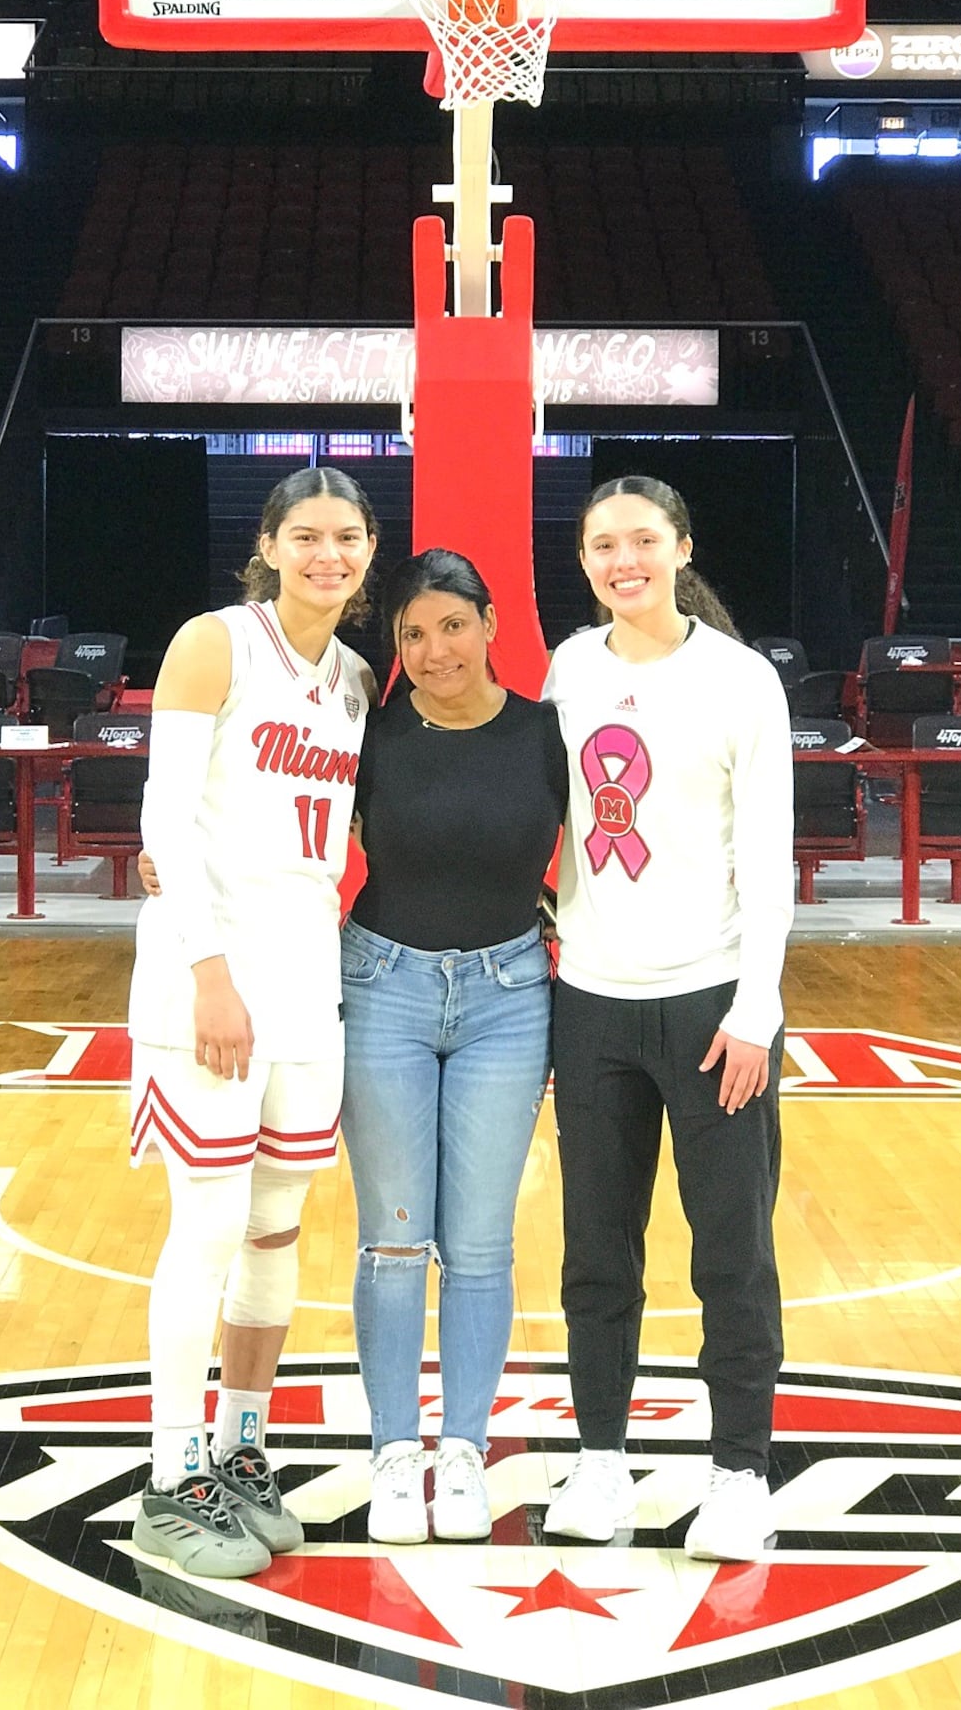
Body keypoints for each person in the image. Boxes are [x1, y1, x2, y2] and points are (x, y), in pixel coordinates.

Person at [128, 466, 378, 1579]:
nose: (329, 554)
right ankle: (170, 1475)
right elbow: (163, 822)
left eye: (349, 537)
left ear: (370, 552)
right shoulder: (214, 641)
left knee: (276, 1228)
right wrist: (209, 971)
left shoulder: (361, 679)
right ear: (270, 544)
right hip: (211, 973)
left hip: (308, 973)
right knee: (207, 1226)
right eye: (308, 535)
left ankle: (241, 1450)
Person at [540, 474, 793, 1563]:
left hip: (709, 1005)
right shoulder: (568, 665)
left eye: (643, 539)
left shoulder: (740, 681)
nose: (623, 559)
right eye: (604, 544)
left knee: (730, 1253)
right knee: (596, 1251)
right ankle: (601, 1460)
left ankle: (738, 1471)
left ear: (680, 547)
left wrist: (756, 1006)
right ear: (585, 560)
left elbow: (768, 855)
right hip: (590, 1000)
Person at [340, 550, 566, 1545]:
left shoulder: (547, 735)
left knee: (478, 1244)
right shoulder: (369, 737)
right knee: (393, 1240)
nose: (435, 650)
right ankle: (395, 1454)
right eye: (413, 635)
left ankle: (464, 1451)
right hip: (381, 988)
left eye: (452, 626)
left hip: (508, 999)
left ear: (489, 625)